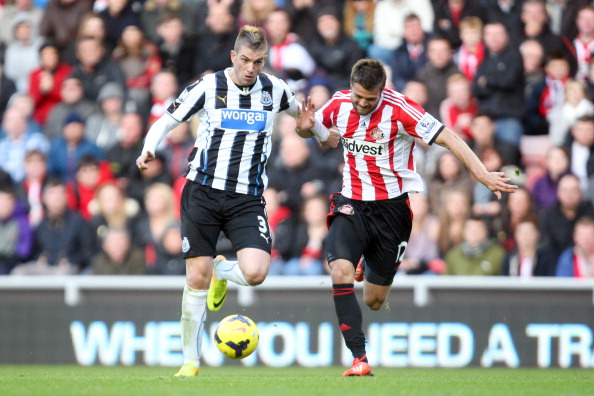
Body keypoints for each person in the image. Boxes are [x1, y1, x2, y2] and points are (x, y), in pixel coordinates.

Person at [135, 25, 339, 377]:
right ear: (233, 56)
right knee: (195, 278)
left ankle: (222, 270)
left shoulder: (275, 90)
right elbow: (166, 120)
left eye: (258, 61)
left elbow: (315, 131)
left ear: (265, 61)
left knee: (257, 272)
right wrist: (149, 147)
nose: (250, 68)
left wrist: (315, 130)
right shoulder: (208, 86)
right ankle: (190, 361)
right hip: (202, 191)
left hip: (247, 198)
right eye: (245, 59)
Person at [295, 58, 517, 376]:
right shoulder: (340, 103)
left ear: (382, 92)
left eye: (369, 100)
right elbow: (328, 139)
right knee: (339, 270)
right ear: (352, 86)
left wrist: (481, 173)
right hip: (351, 203)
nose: (361, 104)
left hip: (392, 211)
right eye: (358, 96)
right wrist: (307, 127)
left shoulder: (401, 110)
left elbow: (449, 137)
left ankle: (365, 258)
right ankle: (359, 357)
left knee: (373, 299)